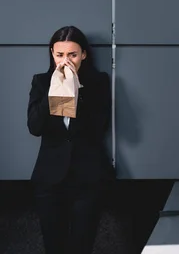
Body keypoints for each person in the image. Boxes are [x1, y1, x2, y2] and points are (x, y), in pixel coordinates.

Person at [27, 26, 115, 254]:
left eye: (72, 55)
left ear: (83, 54)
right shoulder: (41, 81)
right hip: (50, 180)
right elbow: (35, 127)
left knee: (81, 246)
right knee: (53, 247)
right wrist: (55, 91)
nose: (66, 60)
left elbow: (98, 128)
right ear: (52, 54)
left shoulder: (98, 82)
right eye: (60, 55)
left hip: (87, 179)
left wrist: (77, 90)